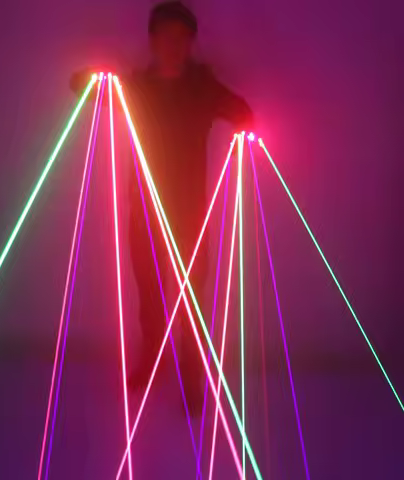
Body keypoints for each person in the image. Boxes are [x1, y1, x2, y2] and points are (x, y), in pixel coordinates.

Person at [70, 1, 254, 415]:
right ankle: (152, 361)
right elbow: (80, 87)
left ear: (190, 44)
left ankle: (192, 374)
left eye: (181, 38)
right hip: (144, 213)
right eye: (165, 36)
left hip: (191, 215)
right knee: (150, 296)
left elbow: (242, 112)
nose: (173, 45)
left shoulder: (203, 89)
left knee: (191, 300)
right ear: (152, 41)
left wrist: (246, 129)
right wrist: (93, 78)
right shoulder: (137, 88)